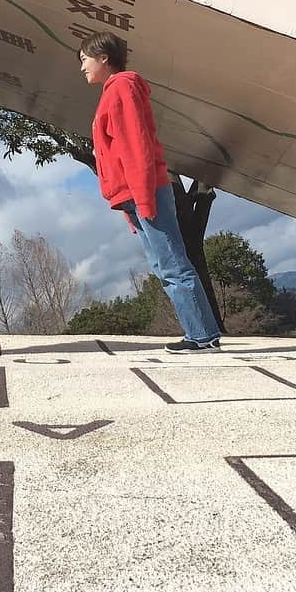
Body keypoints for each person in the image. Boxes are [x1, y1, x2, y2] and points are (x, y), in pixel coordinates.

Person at [79, 31, 222, 352]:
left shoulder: (122, 88)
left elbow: (135, 145)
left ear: (103, 57)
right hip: (134, 194)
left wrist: (143, 199)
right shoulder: (112, 92)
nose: (82, 67)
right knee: (163, 264)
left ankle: (202, 335)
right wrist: (129, 208)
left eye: (84, 59)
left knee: (172, 262)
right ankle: (202, 333)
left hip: (146, 190)